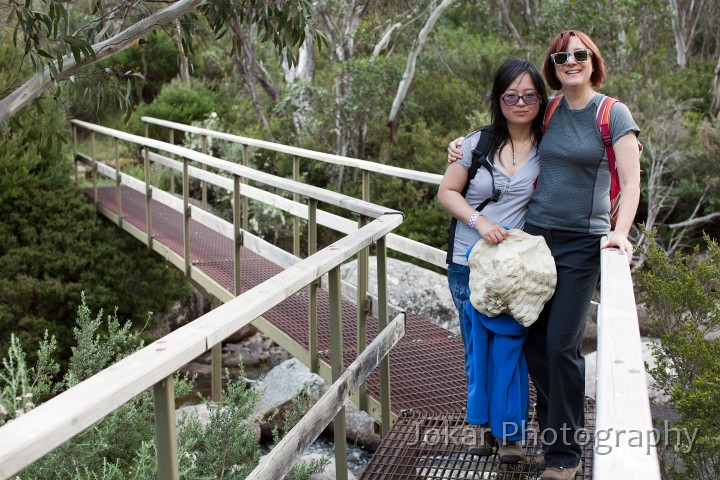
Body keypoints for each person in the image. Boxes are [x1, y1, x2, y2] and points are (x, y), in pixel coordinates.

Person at [447, 30, 642, 480]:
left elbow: (631, 183)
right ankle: (552, 437)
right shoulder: (549, 110)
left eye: (579, 54)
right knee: (534, 344)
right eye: (561, 56)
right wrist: (459, 146)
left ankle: (565, 456)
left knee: (562, 346)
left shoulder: (612, 114)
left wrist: (620, 233)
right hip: (535, 241)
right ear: (553, 66)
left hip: (581, 243)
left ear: (593, 61)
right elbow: (505, 133)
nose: (570, 61)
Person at [437, 58, 547, 463]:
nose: (521, 102)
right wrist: (479, 220)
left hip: (514, 268)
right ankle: (481, 428)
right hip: (469, 261)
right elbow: (447, 192)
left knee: (511, 346)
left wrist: (622, 130)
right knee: (476, 344)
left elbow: (589, 136)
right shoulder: (474, 143)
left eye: (530, 95)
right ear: (498, 99)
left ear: (541, 99)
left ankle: (511, 435)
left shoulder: (548, 142)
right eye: (511, 95)